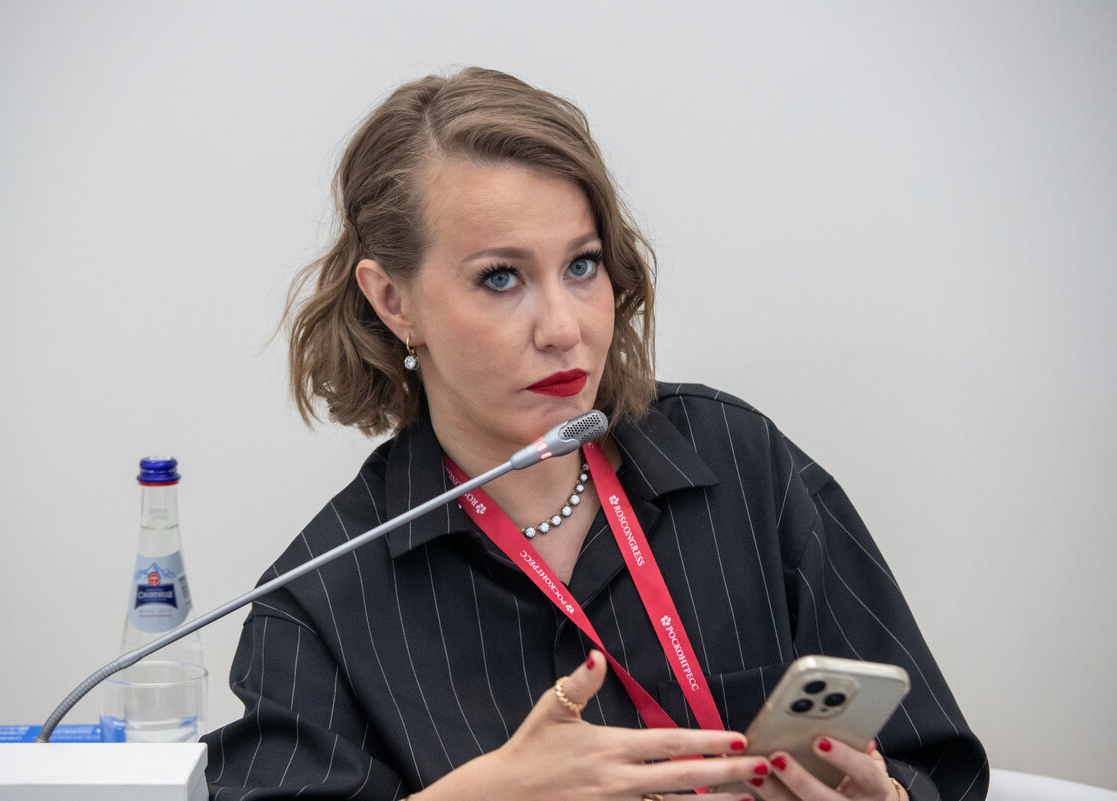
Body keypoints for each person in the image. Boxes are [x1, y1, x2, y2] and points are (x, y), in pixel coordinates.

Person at [201, 67, 987, 801]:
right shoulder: (317, 603)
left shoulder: (741, 461)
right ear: (393, 301)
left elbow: (938, 759)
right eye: (500, 277)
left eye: (581, 265)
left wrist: (887, 793)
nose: (563, 327)